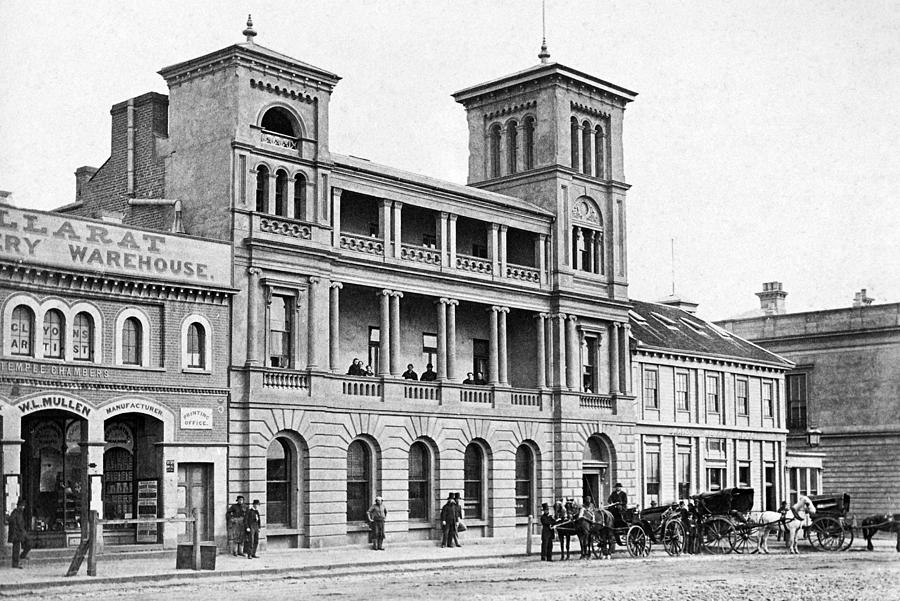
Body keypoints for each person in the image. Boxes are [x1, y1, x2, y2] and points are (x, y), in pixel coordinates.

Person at [8, 499, 31, 569]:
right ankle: (15, 564)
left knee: (29, 543)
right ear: (19, 506)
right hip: (17, 533)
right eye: (22, 506)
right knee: (16, 549)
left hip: (22, 532)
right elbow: (11, 520)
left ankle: (22, 556)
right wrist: (15, 529)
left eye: (23, 506)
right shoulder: (15, 512)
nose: (23, 507)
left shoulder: (20, 513)